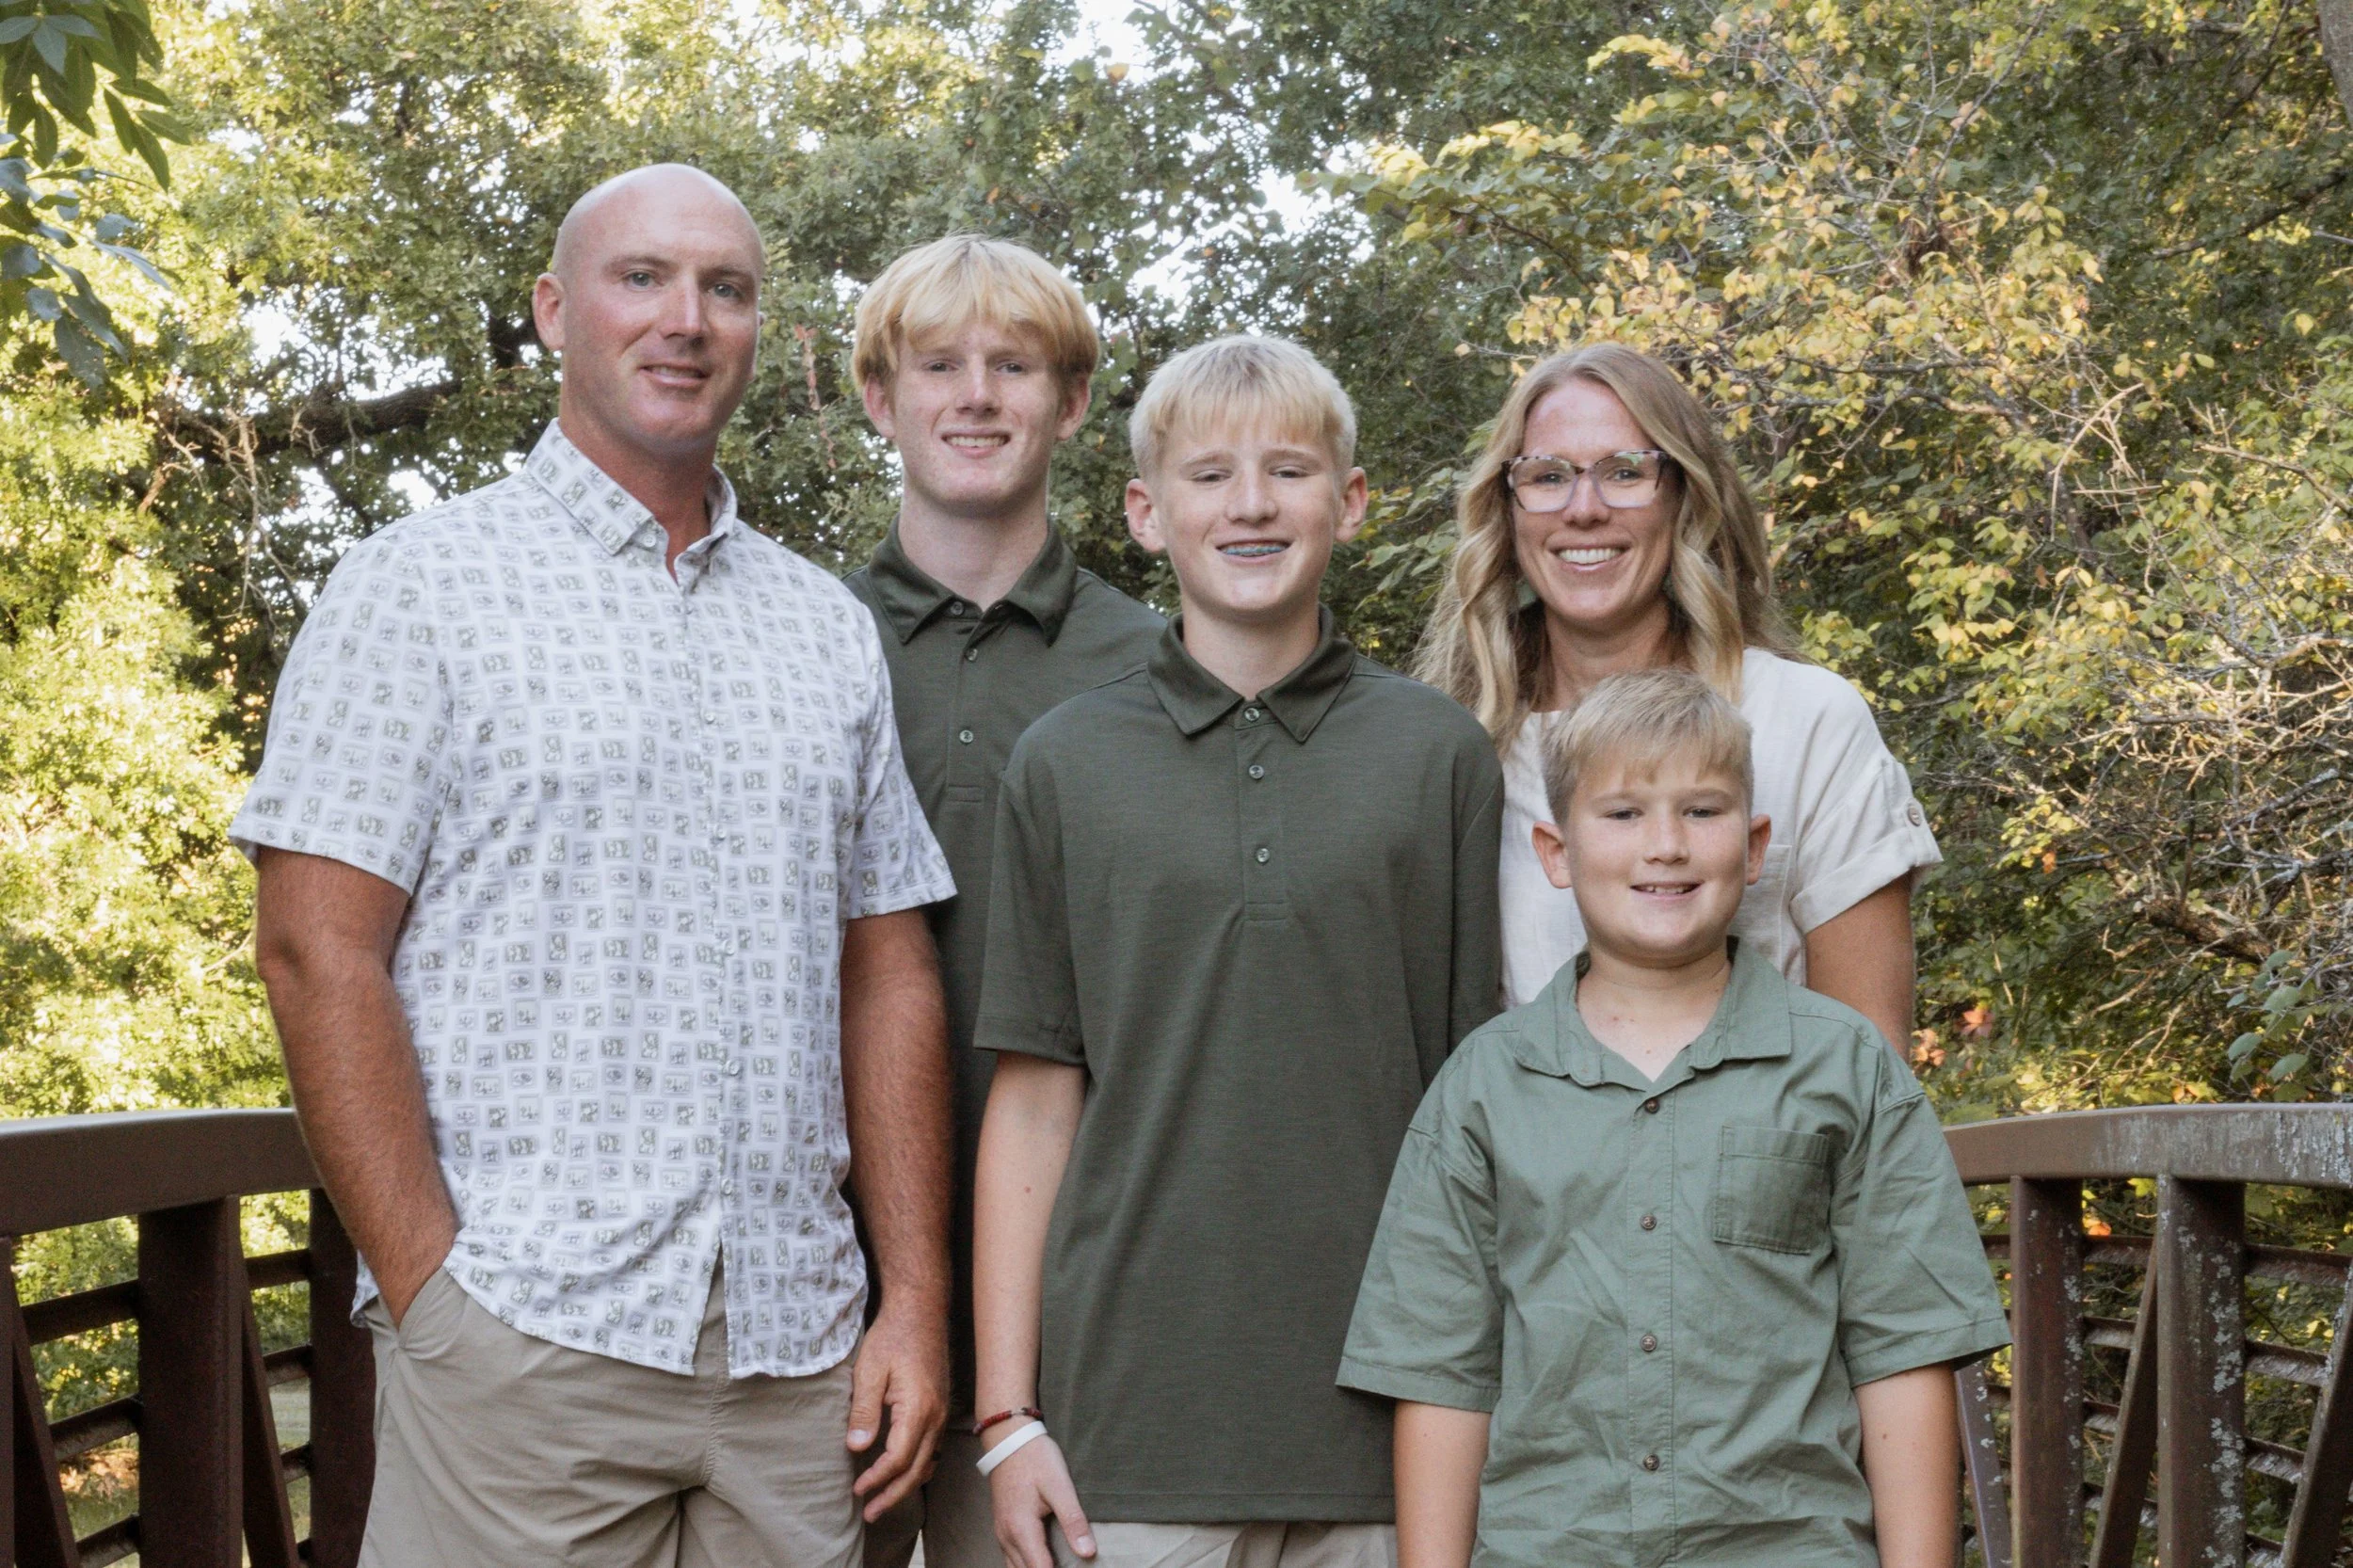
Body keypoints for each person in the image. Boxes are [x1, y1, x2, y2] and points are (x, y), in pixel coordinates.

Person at [233, 164, 960, 1567]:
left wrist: (913, 1298)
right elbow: (316, 948)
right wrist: (434, 1290)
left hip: (797, 1357)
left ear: (761, 331)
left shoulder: (823, 628)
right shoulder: (417, 586)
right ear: (555, 312)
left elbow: (886, 967)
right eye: (643, 279)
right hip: (525, 1341)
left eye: (726, 289)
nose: (685, 318)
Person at [971, 335, 1504, 1568]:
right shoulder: (1063, 761)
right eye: (1210, 476)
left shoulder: (1438, 757)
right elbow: (1038, 1103)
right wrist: (1007, 1417)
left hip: (1395, 1427)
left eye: (1290, 470)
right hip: (1135, 1433)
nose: (1253, 503)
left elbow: (1482, 1102)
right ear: (1148, 515)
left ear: (1351, 501)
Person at [1338, 668, 2009, 1568]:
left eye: (1702, 811)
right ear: (1554, 851)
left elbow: (1903, 1356)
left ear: (1757, 842)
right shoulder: (1483, 1090)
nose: (1665, 846)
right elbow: (1441, 1378)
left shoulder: (1847, 1071)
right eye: (1621, 815)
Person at [843, 234, 1163, 1568]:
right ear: (881, 398)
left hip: (1075, 1302)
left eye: (1014, 364)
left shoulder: (1165, 664)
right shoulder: (798, 638)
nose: (976, 395)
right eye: (939, 365)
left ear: (1072, 400)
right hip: (824, 1290)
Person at [1415, 344, 1941, 1051]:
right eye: (1547, 476)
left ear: (1682, 497)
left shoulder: (1805, 719)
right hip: (1530, 1159)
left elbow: (1873, 1058)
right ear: (1507, 510)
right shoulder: (1459, 748)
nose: (1585, 509)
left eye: (1626, 473)